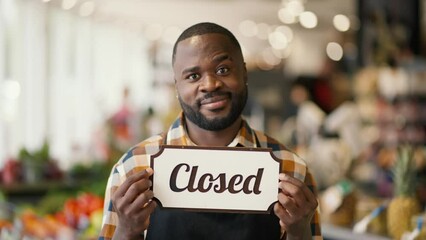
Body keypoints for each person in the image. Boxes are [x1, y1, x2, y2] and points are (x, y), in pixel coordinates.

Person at [99, 22, 322, 240]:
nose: (210, 84)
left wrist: (299, 232)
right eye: (193, 76)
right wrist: (126, 231)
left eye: (223, 69)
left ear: (244, 73)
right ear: (177, 87)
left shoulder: (291, 169)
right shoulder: (134, 166)